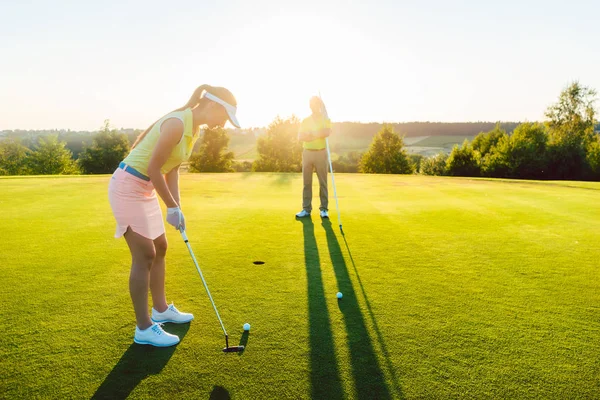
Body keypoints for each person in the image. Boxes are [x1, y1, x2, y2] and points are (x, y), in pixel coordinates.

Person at [108, 85, 240, 347]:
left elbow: (172, 170)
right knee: (145, 254)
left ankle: (161, 309)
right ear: (213, 105)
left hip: (145, 187)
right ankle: (144, 328)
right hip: (128, 186)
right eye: (224, 117)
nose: (222, 124)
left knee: (161, 247)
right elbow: (153, 167)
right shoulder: (177, 123)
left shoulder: (194, 130)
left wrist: (177, 206)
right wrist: (169, 206)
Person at [296, 96, 332, 219]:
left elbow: (326, 132)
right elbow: (300, 136)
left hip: (321, 153)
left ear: (320, 105)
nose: (313, 107)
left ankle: (324, 209)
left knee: (323, 182)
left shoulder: (325, 119)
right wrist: (317, 134)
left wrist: (311, 134)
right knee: (307, 182)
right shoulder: (305, 121)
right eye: (311, 104)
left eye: (316, 104)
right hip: (307, 153)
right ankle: (306, 209)